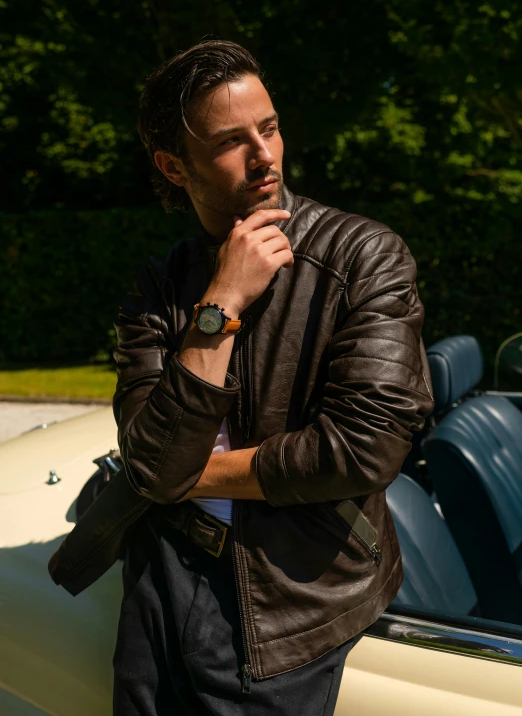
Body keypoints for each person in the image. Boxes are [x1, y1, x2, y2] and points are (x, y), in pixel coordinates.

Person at [54, 39, 435, 715]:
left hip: (288, 599)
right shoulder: (159, 285)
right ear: (175, 166)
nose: (265, 154)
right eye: (233, 140)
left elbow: (363, 449)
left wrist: (182, 474)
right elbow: (149, 453)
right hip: (160, 584)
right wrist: (219, 306)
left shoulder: (364, 257)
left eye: (270, 126)